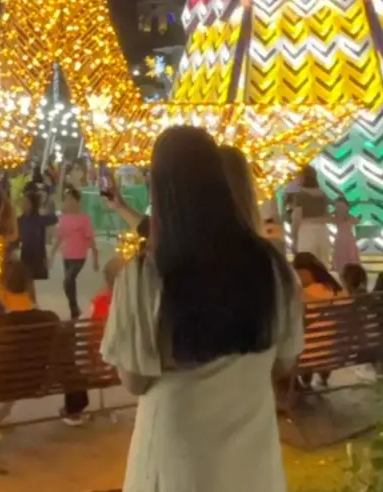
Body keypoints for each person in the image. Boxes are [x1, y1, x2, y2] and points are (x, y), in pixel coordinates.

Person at [101, 126, 303, 492]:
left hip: (178, 459)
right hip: (252, 460)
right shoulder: (274, 269)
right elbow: (284, 361)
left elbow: (133, 379)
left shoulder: (145, 275)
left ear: (159, 191)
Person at [0, 261, 89, 450]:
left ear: (0, 290)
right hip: (34, 382)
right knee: (14, 366)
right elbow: (64, 358)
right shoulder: (50, 318)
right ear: (28, 285)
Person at [50, 187, 98, 319]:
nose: (68, 202)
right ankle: (74, 309)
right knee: (70, 283)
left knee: (68, 280)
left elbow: (90, 239)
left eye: (71, 199)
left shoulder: (84, 219)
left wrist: (95, 258)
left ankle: (74, 307)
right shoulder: (64, 219)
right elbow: (59, 238)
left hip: (79, 257)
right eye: (67, 200)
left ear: (78, 201)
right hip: (67, 256)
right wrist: (52, 255)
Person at [289, 166, 332, 264]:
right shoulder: (323, 194)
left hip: (306, 231)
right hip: (323, 231)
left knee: (307, 265)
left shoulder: (300, 195)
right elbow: (327, 216)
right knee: (323, 265)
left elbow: (297, 218)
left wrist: (294, 237)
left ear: (303, 177)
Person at [16, 188, 57, 285]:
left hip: (38, 256)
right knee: (26, 281)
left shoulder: (39, 219)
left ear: (33, 204)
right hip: (26, 255)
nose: (24, 204)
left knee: (34, 282)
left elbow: (54, 218)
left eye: (27, 202)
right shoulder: (20, 220)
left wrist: (44, 206)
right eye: (23, 202)